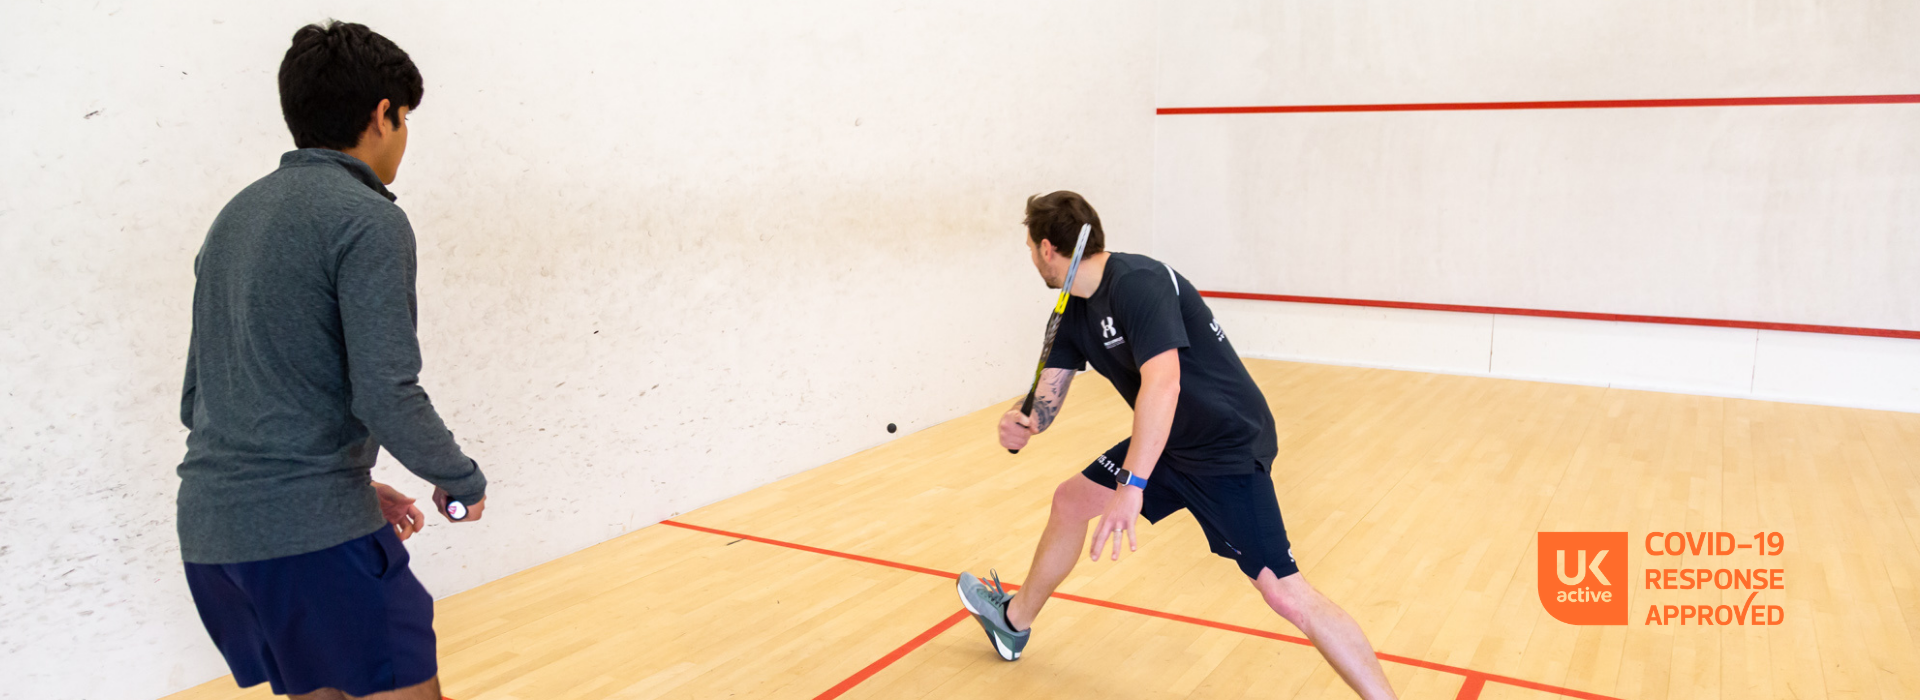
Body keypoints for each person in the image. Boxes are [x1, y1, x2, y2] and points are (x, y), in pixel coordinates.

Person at [956, 191, 1399, 699]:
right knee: (1070, 500)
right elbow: (1048, 395)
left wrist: (1132, 485)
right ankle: (1014, 622)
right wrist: (1026, 419)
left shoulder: (1139, 283)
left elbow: (1163, 384)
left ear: (1048, 248)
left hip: (1225, 443)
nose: (1032, 257)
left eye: (1031, 248)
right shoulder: (1073, 312)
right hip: (1168, 441)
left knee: (1284, 592)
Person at [175, 21, 489, 700]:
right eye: (405, 119)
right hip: (310, 544)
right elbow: (386, 391)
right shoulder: (366, 217)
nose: (404, 138)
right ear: (383, 114)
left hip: (212, 540)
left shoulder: (234, 217)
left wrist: (343, 483)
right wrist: (460, 479)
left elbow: (199, 398)